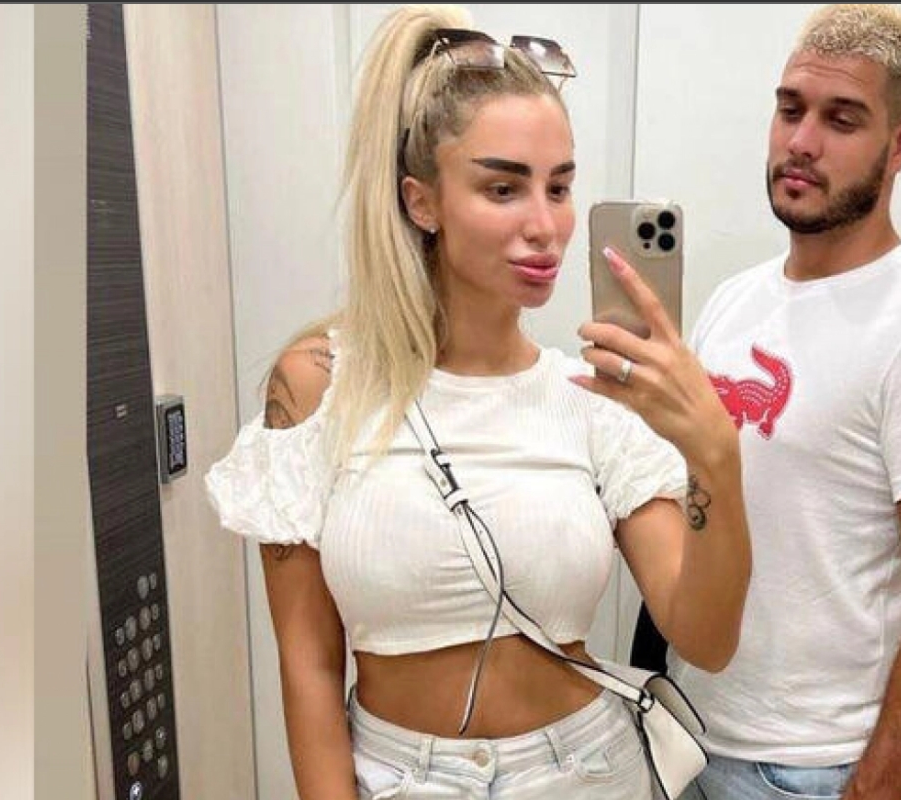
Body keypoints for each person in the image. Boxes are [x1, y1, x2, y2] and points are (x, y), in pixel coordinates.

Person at [204, 6, 750, 799]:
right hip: (397, 778)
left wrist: (714, 456)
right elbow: (309, 666)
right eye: (503, 187)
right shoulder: (319, 387)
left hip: (588, 774)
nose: (545, 226)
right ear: (420, 201)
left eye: (559, 187)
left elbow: (705, 637)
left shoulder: (591, 401)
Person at [665, 5, 901, 799]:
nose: (801, 142)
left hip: (804, 769)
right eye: (789, 109)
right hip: (686, 733)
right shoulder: (732, 301)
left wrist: (869, 792)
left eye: (841, 119)